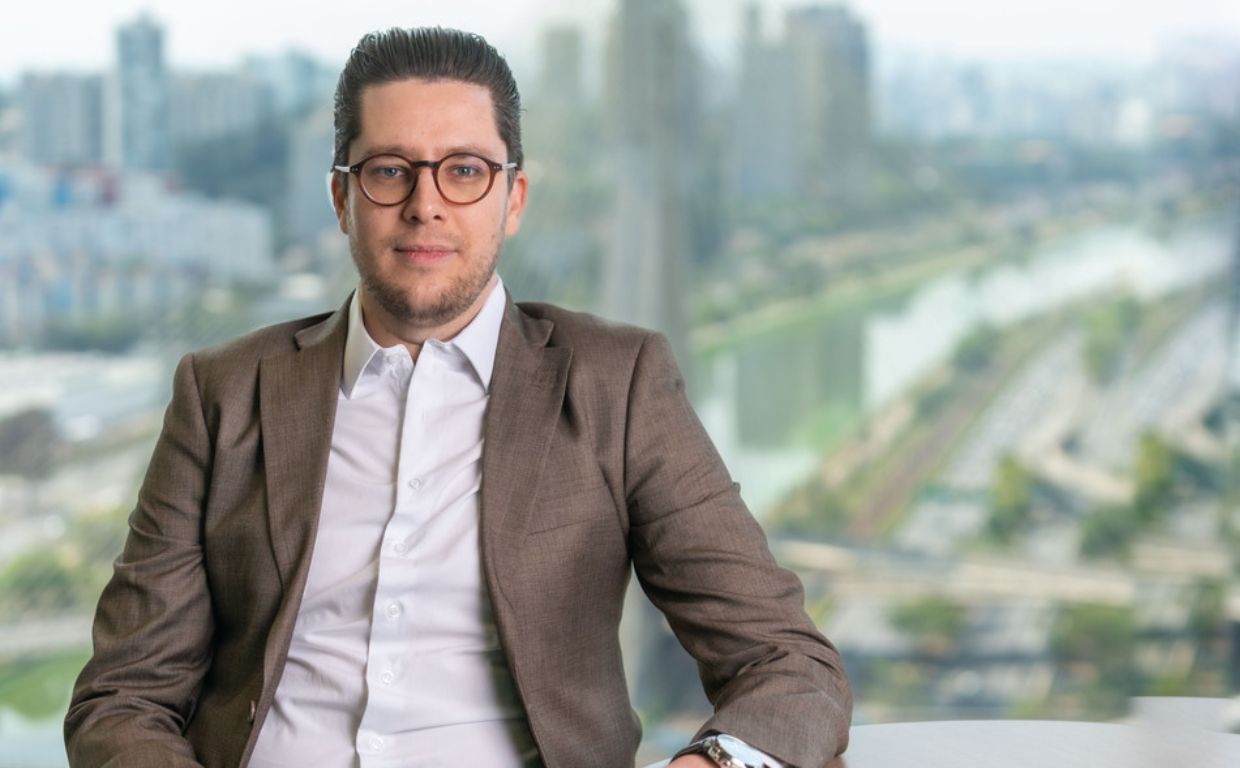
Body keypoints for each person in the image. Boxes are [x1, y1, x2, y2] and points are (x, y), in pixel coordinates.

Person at [65, 26, 851, 768]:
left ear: (514, 198)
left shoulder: (617, 383)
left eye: (465, 170)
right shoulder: (224, 392)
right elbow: (124, 695)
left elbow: (790, 666)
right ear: (340, 198)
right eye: (389, 170)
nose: (426, 204)